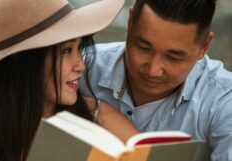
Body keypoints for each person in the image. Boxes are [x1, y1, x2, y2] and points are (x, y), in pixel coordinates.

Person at [0, 0, 138, 161]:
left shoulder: (96, 114)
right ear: (26, 61)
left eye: (79, 48)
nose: (80, 65)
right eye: (67, 51)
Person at [80, 0, 232, 161]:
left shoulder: (223, 100)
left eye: (173, 57)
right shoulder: (80, 67)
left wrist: (106, 115)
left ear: (204, 46)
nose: (153, 70)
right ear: (130, 22)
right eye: (143, 48)